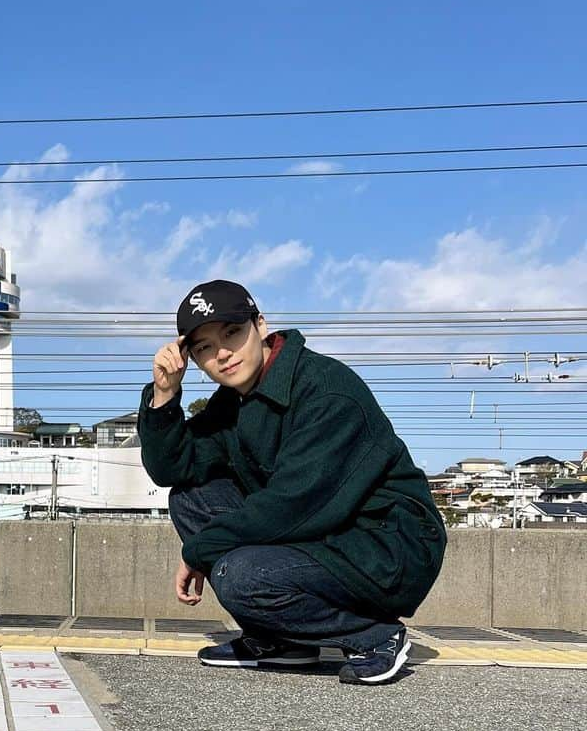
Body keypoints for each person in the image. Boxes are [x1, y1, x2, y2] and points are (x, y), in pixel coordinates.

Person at [138, 279, 446, 685]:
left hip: (388, 543)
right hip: (327, 532)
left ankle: (375, 637)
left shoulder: (326, 390)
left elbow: (294, 504)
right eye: (204, 348)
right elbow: (173, 469)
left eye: (232, 333)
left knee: (241, 576)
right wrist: (164, 395)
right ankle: (281, 642)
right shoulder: (235, 401)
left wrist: (200, 550)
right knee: (191, 498)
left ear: (261, 326)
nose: (223, 354)